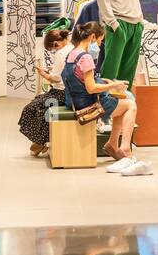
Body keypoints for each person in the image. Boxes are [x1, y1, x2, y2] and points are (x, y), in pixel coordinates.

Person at [62, 22, 145, 174]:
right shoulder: (85, 57)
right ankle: (125, 148)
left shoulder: (72, 53)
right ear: (93, 37)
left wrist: (108, 82)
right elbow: (91, 88)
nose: (100, 44)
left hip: (73, 101)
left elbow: (81, 79)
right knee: (131, 105)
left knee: (122, 105)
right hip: (88, 104)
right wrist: (113, 86)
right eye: (100, 40)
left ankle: (113, 144)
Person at [19, 28, 71, 156]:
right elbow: (60, 73)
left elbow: (56, 78)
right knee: (39, 104)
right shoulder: (72, 48)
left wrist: (43, 74)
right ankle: (41, 140)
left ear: (55, 44)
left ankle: (40, 141)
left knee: (31, 108)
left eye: (53, 48)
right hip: (66, 92)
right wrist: (51, 72)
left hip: (60, 94)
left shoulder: (61, 53)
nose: (54, 50)